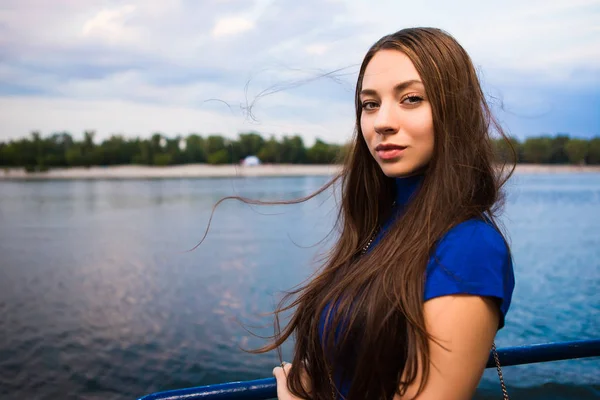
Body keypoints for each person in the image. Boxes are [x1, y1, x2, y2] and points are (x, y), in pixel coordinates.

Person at [240, 27, 516, 399]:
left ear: (457, 110)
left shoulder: (469, 248)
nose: (382, 122)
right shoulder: (383, 224)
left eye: (411, 98)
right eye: (370, 104)